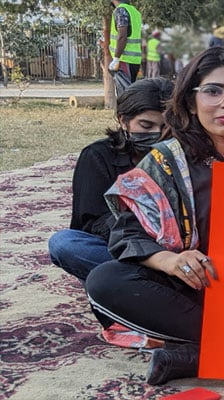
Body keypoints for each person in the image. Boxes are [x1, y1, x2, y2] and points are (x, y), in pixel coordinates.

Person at [84, 45, 224, 385]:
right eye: (213, 91)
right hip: (198, 289)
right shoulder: (166, 161)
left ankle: (199, 356)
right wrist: (170, 262)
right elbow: (128, 235)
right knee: (106, 280)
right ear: (191, 101)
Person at [48, 77, 173, 347]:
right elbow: (89, 222)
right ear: (123, 121)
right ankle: (125, 311)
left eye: (167, 127)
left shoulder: (183, 155)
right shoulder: (97, 156)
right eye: (146, 125)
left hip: (179, 253)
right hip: (123, 254)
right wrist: (143, 236)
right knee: (65, 243)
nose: (157, 134)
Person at [108, 0, 143, 86]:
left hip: (124, 59)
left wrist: (116, 58)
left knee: (125, 95)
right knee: (131, 92)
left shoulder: (121, 10)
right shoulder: (134, 11)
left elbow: (122, 36)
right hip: (134, 60)